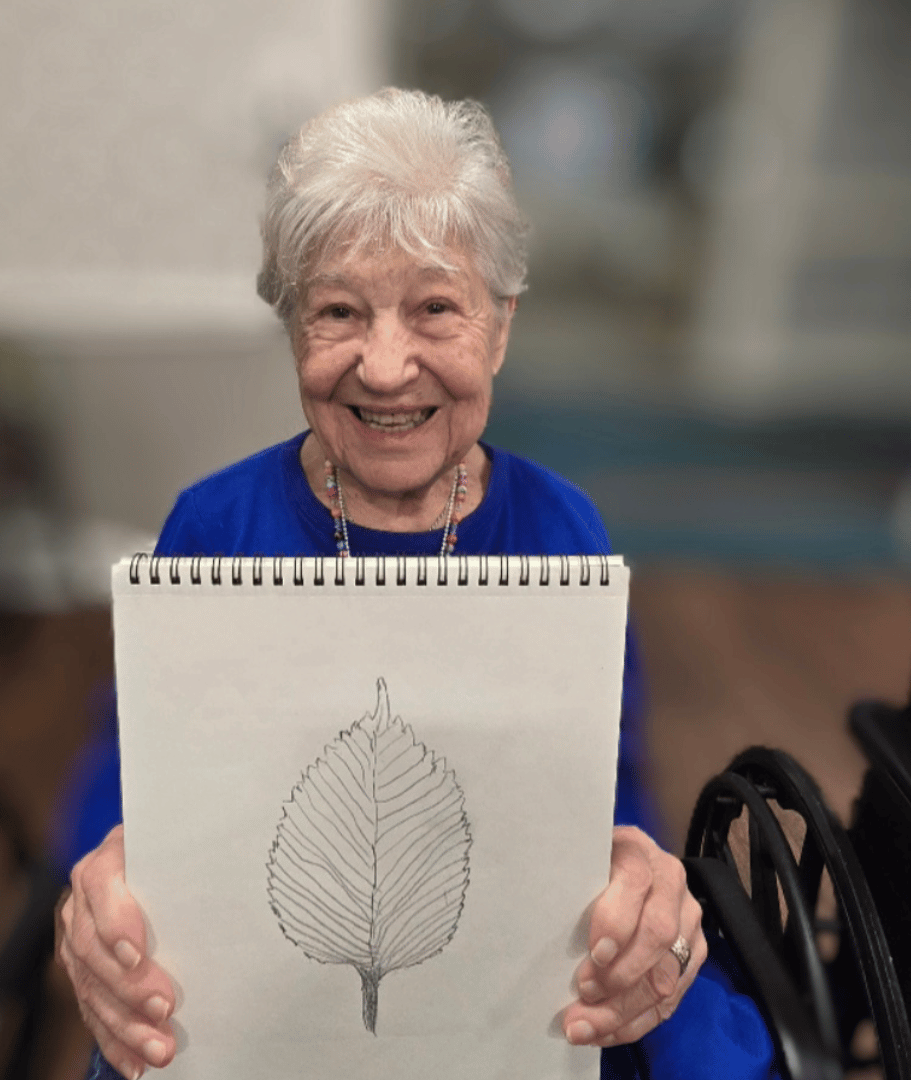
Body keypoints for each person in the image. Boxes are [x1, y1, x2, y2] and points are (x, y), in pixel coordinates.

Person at [57, 88, 779, 1080]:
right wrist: (95, 885)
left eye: (436, 307)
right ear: (293, 330)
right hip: (261, 982)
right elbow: (126, 765)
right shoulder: (214, 525)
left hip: (524, 978)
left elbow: (611, 786)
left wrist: (644, 877)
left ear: (499, 329)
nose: (386, 366)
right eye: (339, 311)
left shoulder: (563, 527)